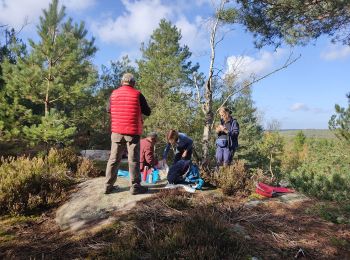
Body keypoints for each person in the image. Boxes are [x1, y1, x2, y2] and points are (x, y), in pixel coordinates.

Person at [105, 73, 151, 195]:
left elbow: (108, 110)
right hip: (133, 132)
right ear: (133, 83)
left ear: (122, 82)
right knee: (134, 159)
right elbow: (148, 111)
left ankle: (108, 186)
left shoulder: (113, 94)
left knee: (114, 159)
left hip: (117, 131)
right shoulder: (137, 94)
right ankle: (135, 187)